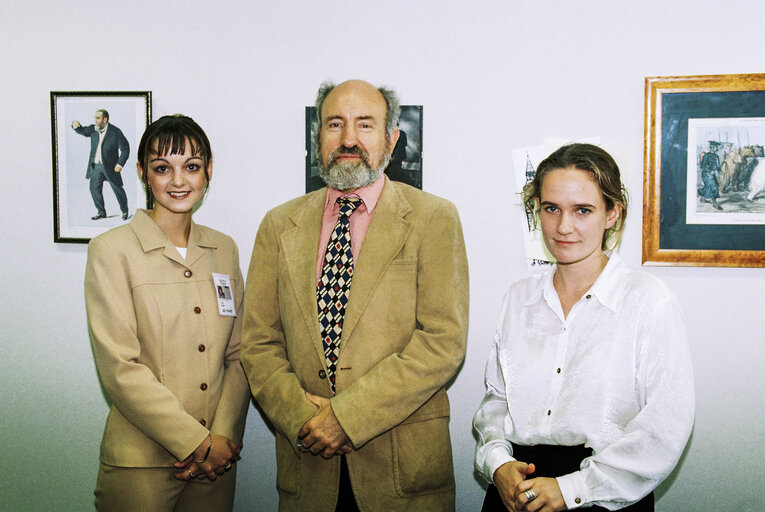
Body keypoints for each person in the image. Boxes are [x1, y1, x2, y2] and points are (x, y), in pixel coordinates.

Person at [240, 79, 469, 511]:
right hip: (309, 465)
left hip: (402, 469)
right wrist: (305, 419)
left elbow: (443, 342)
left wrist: (346, 417)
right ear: (317, 138)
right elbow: (258, 342)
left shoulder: (434, 218)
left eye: (365, 124)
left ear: (391, 140)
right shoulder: (278, 224)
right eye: (334, 124)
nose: (348, 139)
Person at [474, 143, 694, 512]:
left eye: (582, 210)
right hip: (517, 491)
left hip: (605, 495)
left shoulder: (648, 301)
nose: (563, 226)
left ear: (612, 214)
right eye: (551, 208)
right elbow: (497, 400)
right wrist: (498, 464)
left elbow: (665, 425)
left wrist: (575, 488)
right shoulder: (518, 299)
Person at [84, 114, 250, 511]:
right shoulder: (111, 251)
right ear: (143, 174)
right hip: (140, 464)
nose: (179, 181)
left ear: (208, 171)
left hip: (216, 464)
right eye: (163, 169)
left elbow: (241, 354)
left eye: (191, 167)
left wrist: (220, 440)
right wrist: (196, 442)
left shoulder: (223, 249)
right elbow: (120, 369)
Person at [72, 109, 131, 220]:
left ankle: (124, 211)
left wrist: (120, 164)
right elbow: (83, 131)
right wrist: (75, 126)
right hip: (96, 166)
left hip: (111, 167)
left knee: (117, 189)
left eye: (98, 118)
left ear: (105, 119)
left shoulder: (115, 132)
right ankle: (101, 212)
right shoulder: (93, 129)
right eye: (95, 118)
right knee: (93, 188)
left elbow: (125, 149)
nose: (95, 120)